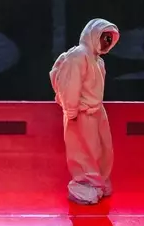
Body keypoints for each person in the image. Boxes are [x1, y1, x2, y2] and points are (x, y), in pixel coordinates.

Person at [51, 18, 120, 204]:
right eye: (104, 37)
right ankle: (86, 186)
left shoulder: (97, 61)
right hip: (81, 113)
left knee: (103, 149)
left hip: (97, 111)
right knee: (83, 151)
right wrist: (71, 111)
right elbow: (70, 84)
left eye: (109, 38)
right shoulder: (78, 56)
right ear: (93, 35)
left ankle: (99, 181)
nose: (107, 42)